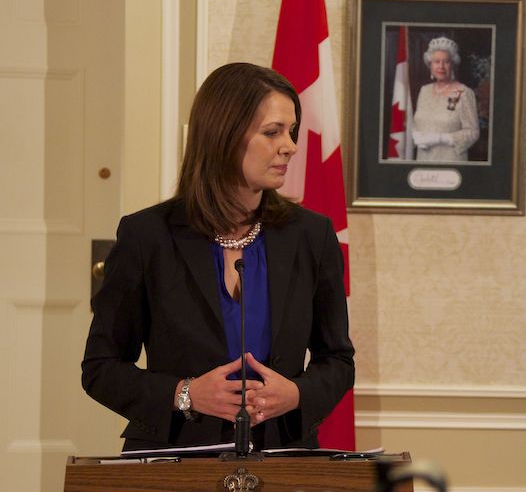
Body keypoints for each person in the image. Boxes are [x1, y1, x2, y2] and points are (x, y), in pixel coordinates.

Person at [82, 63, 355, 451]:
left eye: (291, 131)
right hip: (174, 459)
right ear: (224, 135)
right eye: (273, 132)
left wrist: (295, 395)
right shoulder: (148, 236)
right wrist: (185, 393)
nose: (291, 145)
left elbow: (338, 360)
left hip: (283, 456)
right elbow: (101, 369)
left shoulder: (311, 235)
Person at [411, 36, 480, 162]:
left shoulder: (463, 92)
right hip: (423, 159)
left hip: (450, 161)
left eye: (446, 61)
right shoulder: (424, 91)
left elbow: (473, 132)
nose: (441, 66)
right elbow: (416, 123)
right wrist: (415, 134)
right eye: (436, 62)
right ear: (430, 65)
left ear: (452, 64)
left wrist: (440, 138)